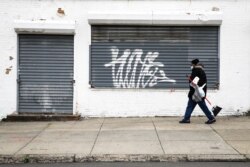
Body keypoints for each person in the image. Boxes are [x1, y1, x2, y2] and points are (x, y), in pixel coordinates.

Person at [179, 59, 216, 124]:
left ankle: (211, 118)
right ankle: (186, 118)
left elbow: (194, 83)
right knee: (190, 105)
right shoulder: (201, 71)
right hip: (199, 92)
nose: (191, 65)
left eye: (191, 64)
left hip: (196, 93)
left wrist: (190, 79)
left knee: (203, 106)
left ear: (194, 64)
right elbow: (200, 81)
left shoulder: (196, 71)